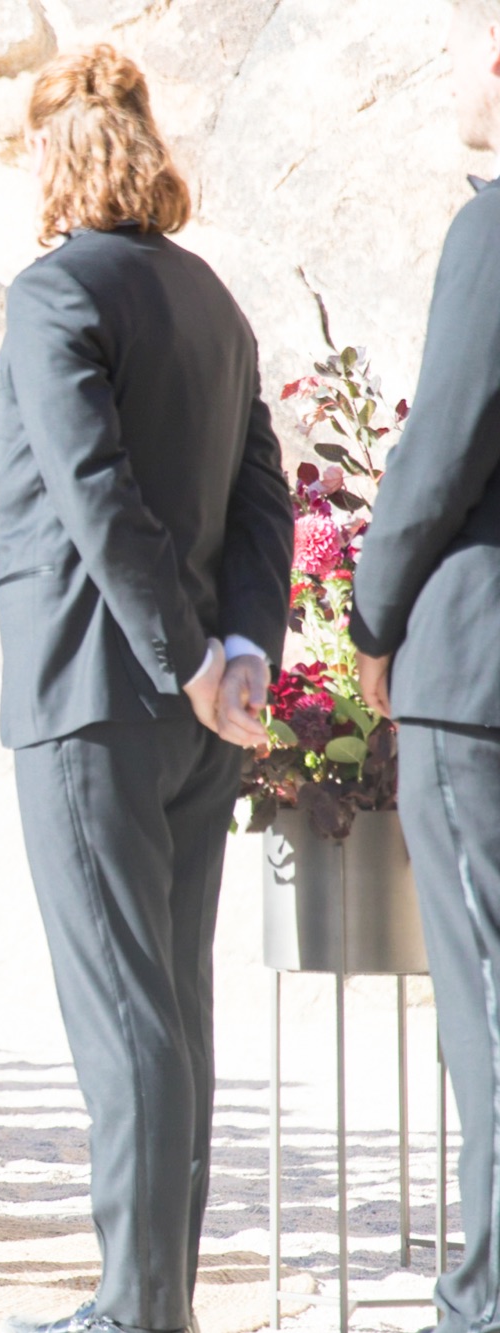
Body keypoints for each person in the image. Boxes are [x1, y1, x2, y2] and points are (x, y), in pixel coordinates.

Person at [0, 48, 292, 1333]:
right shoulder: (212, 300)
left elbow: (95, 499)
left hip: (89, 695)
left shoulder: (53, 294)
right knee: (170, 1002)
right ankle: (149, 1295)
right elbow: (262, 498)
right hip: (193, 708)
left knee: (123, 1007)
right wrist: (236, 655)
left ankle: (135, 1306)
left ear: (52, 158)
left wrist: (180, 656)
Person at [351, 7, 500, 1331]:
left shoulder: (492, 230)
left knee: (489, 999)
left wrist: (369, 613)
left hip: (479, 672)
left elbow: (437, 456)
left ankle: (485, 1296)